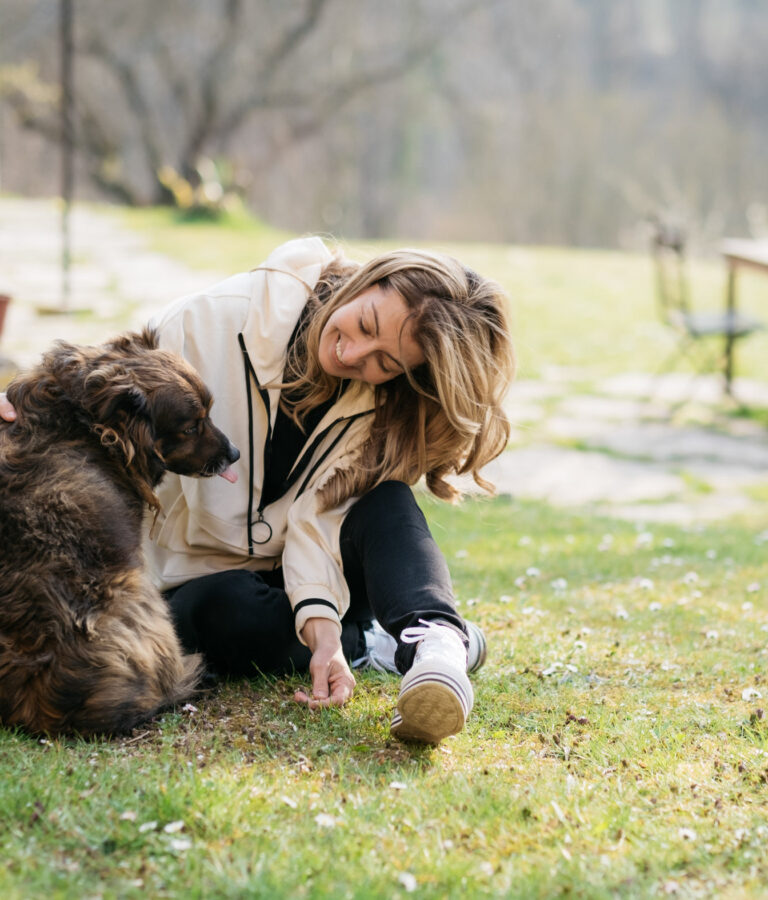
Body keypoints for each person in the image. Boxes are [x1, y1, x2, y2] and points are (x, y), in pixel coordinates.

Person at [0, 236, 514, 744]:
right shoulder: (208, 322)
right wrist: (16, 404)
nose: (356, 353)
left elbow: (321, 518)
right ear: (367, 280)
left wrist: (322, 628)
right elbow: (97, 386)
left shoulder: (384, 400)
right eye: (364, 325)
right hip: (211, 583)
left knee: (386, 502)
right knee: (222, 611)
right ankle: (372, 645)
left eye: (385, 362)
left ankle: (436, 644)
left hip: (322, 580)